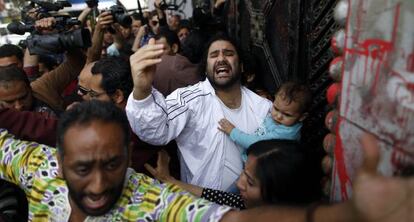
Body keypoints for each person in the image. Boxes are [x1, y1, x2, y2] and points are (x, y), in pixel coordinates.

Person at [0, 100, 232, 221]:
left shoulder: (149, 201)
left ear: (129, 157)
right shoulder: (37, 166)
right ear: (59, 162)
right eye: (82, 168)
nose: (99, 185)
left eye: (112, 165)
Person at [127, 34, 271, 191]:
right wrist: (142, 90)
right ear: (206, 69)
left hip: (250, 210)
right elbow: (157, 130)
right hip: (200, 209)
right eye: (214, 55)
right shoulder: (189, 99)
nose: (221, 59)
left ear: (242, 66)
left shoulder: (263, 107)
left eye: (228, 54)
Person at [146, 139, 308, 209]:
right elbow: (210, 195)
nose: (239, 184)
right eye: (243, 172)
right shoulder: (244, 204)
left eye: (250, 182)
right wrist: (168, 180)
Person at [218, 82, 311, 161]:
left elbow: (256, 144)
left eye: (287, 115)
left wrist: (233, 132)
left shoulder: (286, 134)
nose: (278, 116)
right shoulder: (281, 120)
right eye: (276, 108)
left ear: (302, 117)